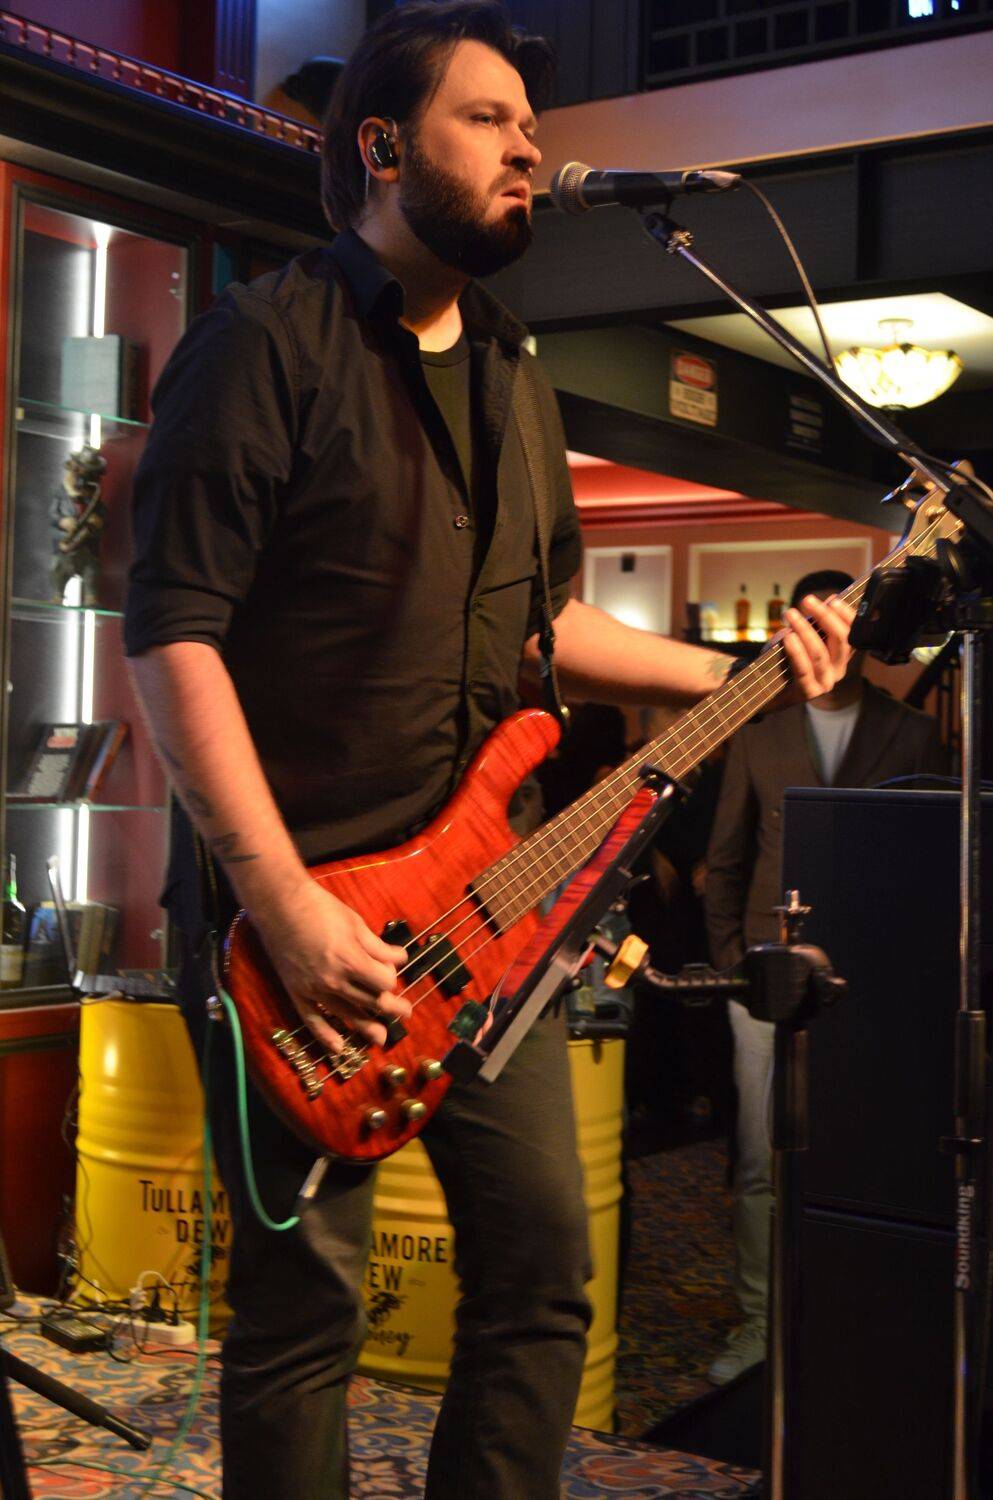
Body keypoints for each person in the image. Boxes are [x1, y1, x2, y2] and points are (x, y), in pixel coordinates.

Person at [123, 6, 854, 1495]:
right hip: (302, 934)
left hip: (486, 922)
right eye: (491, 118)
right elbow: (172, 638)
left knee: (541, 1286)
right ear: (384, 147)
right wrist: (283, 901)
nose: (532, 148)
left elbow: (548, 630)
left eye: (533, 124)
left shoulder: (517, 373)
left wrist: (742, 673)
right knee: (302, 1323)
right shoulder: (262, 345)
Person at [704, 568, 946, 1386]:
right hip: (761, 977)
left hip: (865, 979)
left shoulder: (911, 733)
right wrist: (730, 969)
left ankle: (846, 1318)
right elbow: (725, 861)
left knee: (858, 1157)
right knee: (757, 1160)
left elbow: (926, 868)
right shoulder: (758, 735)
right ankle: (759, 1322)